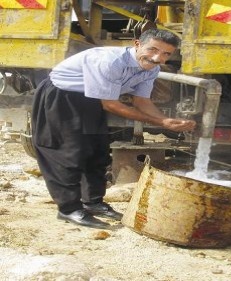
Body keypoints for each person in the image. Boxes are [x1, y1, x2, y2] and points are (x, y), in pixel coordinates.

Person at [31, 29, 196, 229]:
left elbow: (141, 101)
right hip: (62, 96)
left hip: (92, 99)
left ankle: (93, 203)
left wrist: (167, 120)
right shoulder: (109, 61)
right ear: (137, 44)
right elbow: (112, 106)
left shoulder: (151, 67)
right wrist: (161, 124)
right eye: (153, 49)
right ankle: (69, 209)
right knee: (68, 154)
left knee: (97, 152)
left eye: (165, 54)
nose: (157, 57)